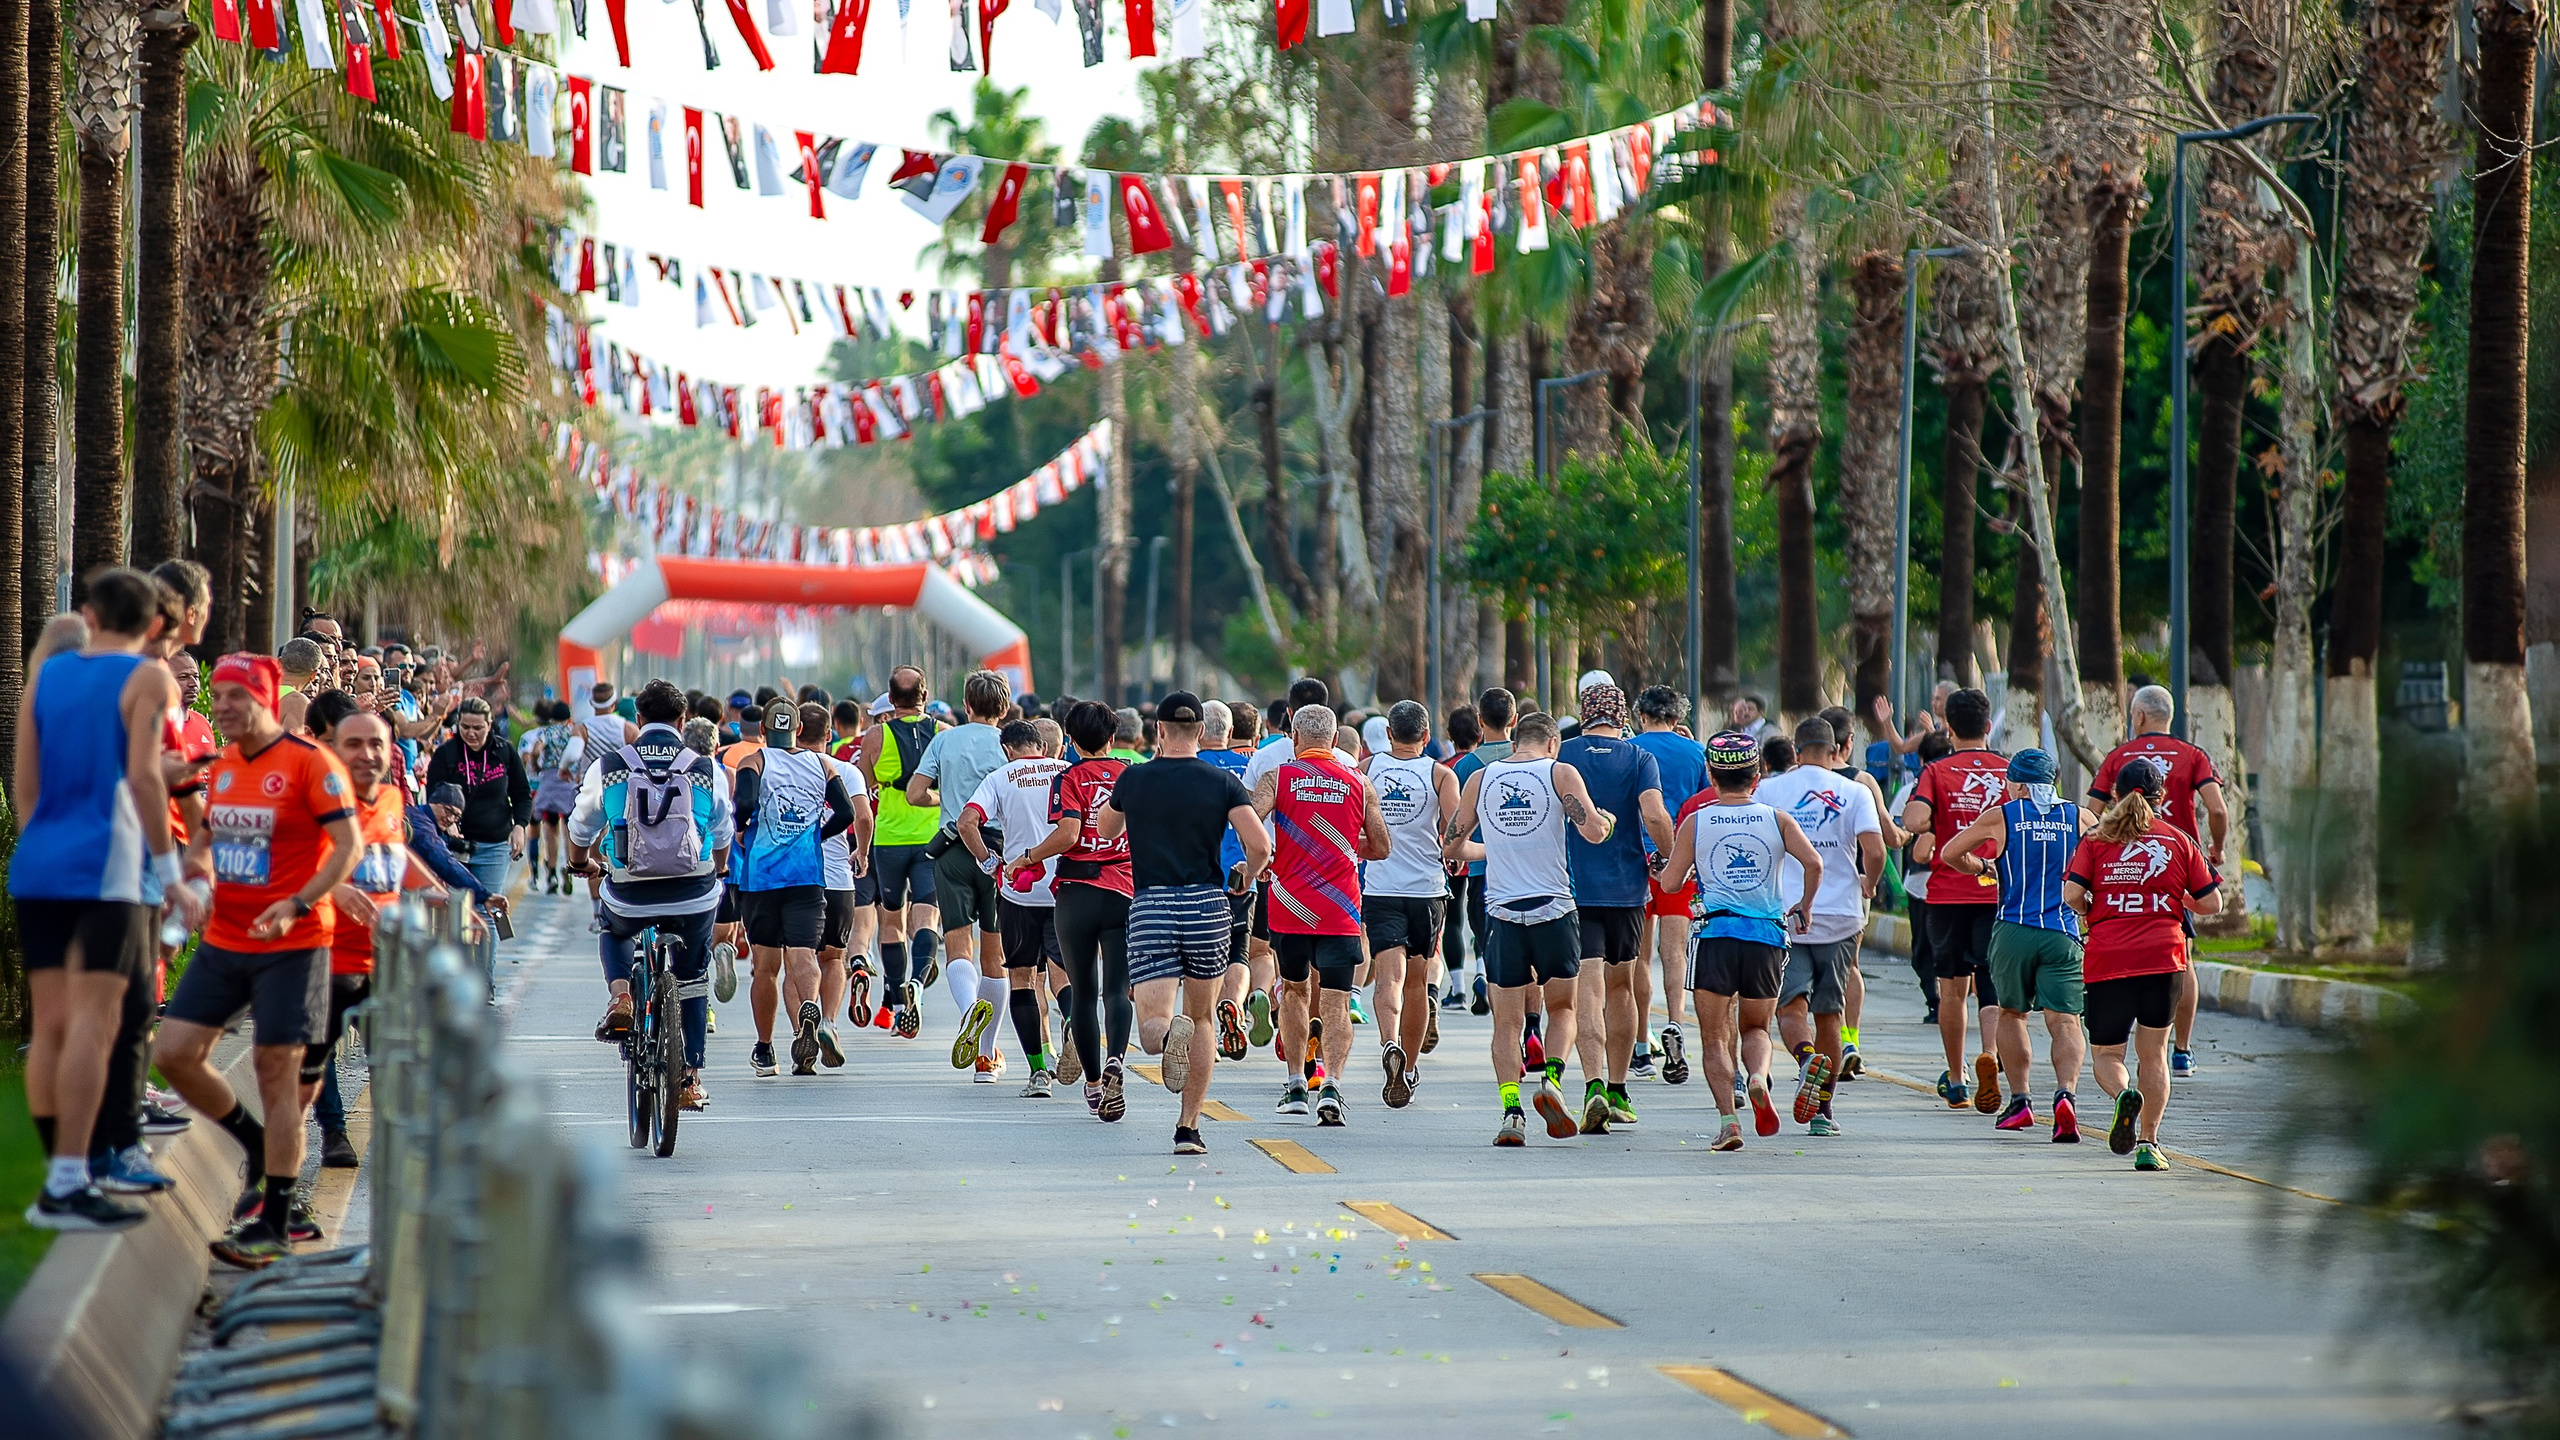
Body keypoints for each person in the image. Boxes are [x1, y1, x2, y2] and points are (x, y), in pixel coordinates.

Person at [153, 653, 362, 1268]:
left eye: (234, 697)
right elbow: (207, 840)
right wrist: (192, 882)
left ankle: (274, 1221)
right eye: (215, 695)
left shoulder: (311, 763)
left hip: (294, 944)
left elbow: (347, 847)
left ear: (267, 699)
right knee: (173, 1054)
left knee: (278, 1072)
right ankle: (253, 1141)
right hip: (226, 938)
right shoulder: (221, 767)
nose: (220, 707)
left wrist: (297, 903)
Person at [12, 570, 199, 1230]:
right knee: (96, 1023)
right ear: (156, 625)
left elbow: (25, 783)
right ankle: (72, 1179)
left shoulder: (48, 674)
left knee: (50, 1026)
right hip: (107, 869)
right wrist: (172, 874)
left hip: (40, 864)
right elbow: (146, 779)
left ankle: (57, 1179)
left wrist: (45, 843)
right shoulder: (149, 677)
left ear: (89, 616)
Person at [1102, 692, 1270, 1154]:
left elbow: (1105, 829)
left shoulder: (1134, 778)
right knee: (1203, 1019)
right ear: (1201, 731)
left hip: (1152, 904)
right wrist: (1246, 876)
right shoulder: (1222, 782)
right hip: (1208, 906)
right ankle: (1188, 1128)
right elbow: (1260, 846)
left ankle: (1168, 1034)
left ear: (1158, 730)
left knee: (1152, 1027)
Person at [1441, 710, 1614, 1146]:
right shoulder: (1560, 773)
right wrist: (1608, 820)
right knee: (1563, 1008)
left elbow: (1452, 845)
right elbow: (1593, 832)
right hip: (1554, 908)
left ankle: (1512, 1111)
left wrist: (1494, 850)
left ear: (1516, 740)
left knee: (1506, 1022)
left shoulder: (1481, 778)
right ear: (1553, 743)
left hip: (1502, 913)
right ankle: (1551, 1080)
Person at [568, 679, 734, 1112]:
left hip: (630, 890)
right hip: (692, 892)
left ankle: (622, 994)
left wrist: (580, 861)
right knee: (692, 977)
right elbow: (722, 830)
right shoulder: (705, 767)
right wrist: (718, 867)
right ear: (682, 721)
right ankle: (689, 1078)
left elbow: (581, 825)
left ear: (638, 719)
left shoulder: (609, 766)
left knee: (615, 928)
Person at [1661, 731, 1823, 1152]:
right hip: (1765, 937)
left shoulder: (1697, 821)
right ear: (1757, 776)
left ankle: (1729, 1122)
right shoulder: (1777, 819)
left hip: (1715, 936)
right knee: (1756, 1028)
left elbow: (1670, 883)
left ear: (1711, 776)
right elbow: (1814, 863)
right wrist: (1804, 905)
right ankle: (1757, 1078)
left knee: (1715, 1037)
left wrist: (1688, 870)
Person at [2064, 757, 2223, 1170]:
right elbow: (2212, 902)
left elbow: (2071, 895)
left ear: (2114, 795)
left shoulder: (2095, 840)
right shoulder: (2178, 840)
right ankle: (2149, 1143)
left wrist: (2091, 909)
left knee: (2107, 1054)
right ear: (2162, 797)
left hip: (2109, 958)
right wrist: (2176, 898)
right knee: (2153, 1054)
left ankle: (2123, 1096)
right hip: (2163, 958)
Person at [311, 710, 442, 1169]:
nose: (367, 755)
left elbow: (396, 855)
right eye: (354, 744)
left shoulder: (390, 798)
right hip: (326, 957)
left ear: (390, 752)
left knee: (392, 1053)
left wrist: (440, 893)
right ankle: (334, 1133)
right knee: (317, 1055)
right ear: (334, 750)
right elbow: (294, 863)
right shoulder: (317, 801)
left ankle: (394, 1136)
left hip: (383, 956)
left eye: (377, 745)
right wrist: (335, 889)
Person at [1940, 748, 2090, 1141]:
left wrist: (1982, 867)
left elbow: (1950, 853)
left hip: (2013, 930)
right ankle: (2066, 1096)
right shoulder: (2080, 817)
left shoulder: (2002, 815)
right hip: (2062, 931)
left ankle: (2021, 1101)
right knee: (2065, 1021)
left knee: (2012, 1014)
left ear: (2019, 784)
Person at [1251, 704, 1390, 1126]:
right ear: (1333, 740)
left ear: (1294, 738)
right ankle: (1331, 1086)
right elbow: (1382, 846)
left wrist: (1266, 857)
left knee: (1294, 992)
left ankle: (1296, 1085)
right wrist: (1345, 846)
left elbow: (1250, 822)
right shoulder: (1359, 782)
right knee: (1335, 1000)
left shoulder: (1277, 778)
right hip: (1339, 908)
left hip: (1290, 906)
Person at [2086, 684, 2231, 1079]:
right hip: (2179, 865)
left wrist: (2098, 856)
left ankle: (2120, 1041)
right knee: (2182, 956)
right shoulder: (2193, 755)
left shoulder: (2118, 757)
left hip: (2119, 872)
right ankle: (2181, 1050)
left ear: (2138, 716)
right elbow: (2217, 809)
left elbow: (2091, 812)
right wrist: (2216, 849)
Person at [1752, 717, 1883, 1136]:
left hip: (1787, 915)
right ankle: (1823, 1112)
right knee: (1830, 1013)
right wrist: (1869, 883)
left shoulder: (1770, 790)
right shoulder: (1855, 791)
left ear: (1796, 750)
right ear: (1837, 750)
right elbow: (1875, 850)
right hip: (1841, 916)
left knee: (1790, 1007)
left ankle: (1807, 1058)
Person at [1555, 684, 1674, 1133]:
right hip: (1627, 890)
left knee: (1587, 988)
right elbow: (1655, 815)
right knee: (1621, 986)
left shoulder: (1562, 755)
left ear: (1583, 714)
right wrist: (1668, 857)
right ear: (1623, 717)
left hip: (1574, 888)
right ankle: (1620, 1089)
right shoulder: (1640, 758)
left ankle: (1593, 1085)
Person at [1008, 702, 1135, 1120]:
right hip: (1123, 890)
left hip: (1077, 893)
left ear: (1072, 741)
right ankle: (1116, 1059)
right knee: (1117, 989)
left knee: (1082, 992)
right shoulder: (1131, 775)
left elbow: (1068, 834)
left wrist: (1027, 857)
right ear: (1112, 739)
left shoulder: (1068, 778)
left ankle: (1095, 1084)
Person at [731, 702, 861, 1076]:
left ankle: (765, 1049)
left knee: (766, 967)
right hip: (807, 876)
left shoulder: (754, 761)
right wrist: (816, 835)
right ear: (799, 728)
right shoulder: (822, 765)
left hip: (762, 878)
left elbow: (745, 802)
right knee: (803, 956)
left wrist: (742, 828)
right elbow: (847, 813)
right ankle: (812, 1009)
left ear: (763, 728)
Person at [1899, 686, 2007, 1113]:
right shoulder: (2008, 771)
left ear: (1949, 727)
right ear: (1987, 726)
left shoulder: (1937, 770)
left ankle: (1958, 1079)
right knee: (1991, 987)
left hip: (1946, 894)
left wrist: (1939, 819)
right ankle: (1991, 1056)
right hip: (1997, 893)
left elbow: (1914, 820)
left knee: (1952, 989)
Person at [911, 671, 1017, 1079]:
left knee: (958, 945)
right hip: (999, 851)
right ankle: (986, 1058)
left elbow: (915, 793)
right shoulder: (1009, 743)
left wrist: (944, 799)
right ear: (1004, 709)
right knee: (995, 955)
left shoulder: (944, 739)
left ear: (966, 704)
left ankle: (969, 1007)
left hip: (953, 849)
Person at [1359, 701, 1460, 1110]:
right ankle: (1411, 1066)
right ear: (1426, 736)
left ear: (1388, 733)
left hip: (1381, 886)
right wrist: (1454, 854)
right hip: (1426, 890)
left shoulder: (1366, 770)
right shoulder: (1441, 775)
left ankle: (1389, 1043)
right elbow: (1454, 832)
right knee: (1417, 982)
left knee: (1388, 978)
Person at [960, 722, 1070, 1097]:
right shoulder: (1065, 771)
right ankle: (1072, 1023)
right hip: (1064, 888)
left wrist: (988, 861)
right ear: (1044, 747)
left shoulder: (1000, 777)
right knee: (1062, 974)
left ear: (1007, 750)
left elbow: (966, 822)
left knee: (1022, 979)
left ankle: (1038, 1073)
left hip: (1018, 890)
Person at [862, 665, 944, 1029]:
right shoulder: (943, 733)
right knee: (926, 918)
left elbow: (864, 784)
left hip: (889, 838)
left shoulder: (875, 736)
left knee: (892, 922)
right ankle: (918, 986)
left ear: (891, 699)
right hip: (932, 837)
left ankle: (897, 1005)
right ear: (925, 696)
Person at [1630, 686, 1704, 1084]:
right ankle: (1675, 1022)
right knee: (1674, 953)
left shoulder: (1630, 750)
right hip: (1681, 861)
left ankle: (1641, 1043)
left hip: (1636, 863)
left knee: (1638, 957)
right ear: (1677, 718)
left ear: (1641, 716)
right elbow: (1703, 804)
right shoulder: (1696, 754)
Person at [423, 697, 532, 956]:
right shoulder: (446, 753)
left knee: (489, 909)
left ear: (489, 725)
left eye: (477, 728)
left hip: (494, 845)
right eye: (465, 727)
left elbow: (522, 795)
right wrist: (446, 824)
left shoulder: (504, 752)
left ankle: (485, 977)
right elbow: (434, 796)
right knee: (456, 912)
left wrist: (520, 827)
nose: (471, 733)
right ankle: (456, 974)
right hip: (455, 846)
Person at [803, 702, 873, 1069]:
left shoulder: (782, 768)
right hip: (838, 879)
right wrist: (862, 852)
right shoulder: (847, 771)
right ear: (829, 735)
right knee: (833, 958)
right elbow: (863, 816)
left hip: (795, 879)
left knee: (797, 959)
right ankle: (828, 1022)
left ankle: (802, 1030)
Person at [1448, 688, 1516, 1021]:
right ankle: (1529, 1023)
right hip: (1523, 873)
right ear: (1514, 719)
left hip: (1480, 873)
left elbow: (1455, 824)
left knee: (1489, 943)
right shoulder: (1529, 761)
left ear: (1480, 721)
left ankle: (1490, 989)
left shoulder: (1465, 768)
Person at [1198, 702, 1259, 1060]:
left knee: (1203, 957)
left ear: (1199, 732)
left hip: (1199, 876)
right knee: (1239, 950)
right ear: (1231, 731)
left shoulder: (1190, 768)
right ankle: (1233, 1007)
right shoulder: (1252, 767)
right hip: (1241, 874)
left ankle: (1205, 1032)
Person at [527, 701, 585, 895]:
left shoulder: (547, 732)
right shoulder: (574, 732)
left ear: (552, 718)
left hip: (550, 782)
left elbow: (536, 750)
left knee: (550, 829)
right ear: (568, 717)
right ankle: (569, 867)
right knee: (569, 829)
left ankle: (551, 872)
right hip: (569, 782)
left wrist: (536, 765)